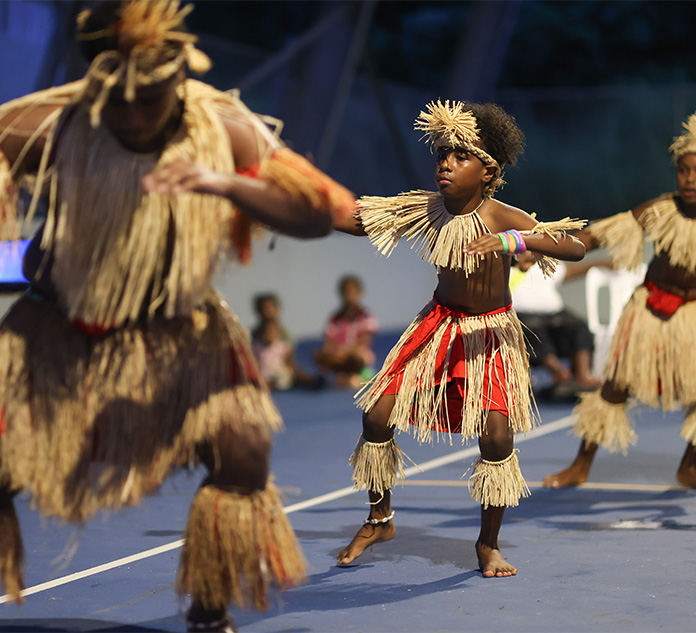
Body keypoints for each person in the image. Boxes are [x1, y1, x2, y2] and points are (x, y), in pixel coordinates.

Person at [0, 2, 355, 631]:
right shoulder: (50, 125)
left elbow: (319, 212)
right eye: (122, 101)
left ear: (178, 79)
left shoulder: (225, 129)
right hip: (57, 333)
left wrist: (223, 184)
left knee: (244, 455)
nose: (135, 115)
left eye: (152, 98)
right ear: (96, 84)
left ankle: (210, 609)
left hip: (181, 336)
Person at [334, 100, 586, 577]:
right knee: (376, 414)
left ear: (488, 170)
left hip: (491, 334)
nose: (445, 164)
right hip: (438, 326)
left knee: (496, 438)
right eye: (442, 154)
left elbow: (574, 245)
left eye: (459, 155)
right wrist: (293, 211)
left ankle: (487, 544)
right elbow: (356, 220)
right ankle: (379, 518)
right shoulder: (427, 209)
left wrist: (515, 241)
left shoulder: (503, 216)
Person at [543, 112, 696, 493]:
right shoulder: (660, 209)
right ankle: (580, 465)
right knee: (616, 388)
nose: (690, 179)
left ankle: (689, 467)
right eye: (684, 170)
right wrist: (535, 244)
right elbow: (594, 238)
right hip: (653, 307)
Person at [511, 252, 610, 397]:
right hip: (522, 315)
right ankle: (561, 374)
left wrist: (599, 263)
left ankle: (583, 376)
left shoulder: (545, 264)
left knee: (578, 327)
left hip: (555, 314)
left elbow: (570, 271)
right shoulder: (506, 268)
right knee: (533, 332)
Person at [313, 274, 378, 388]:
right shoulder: (335, 318)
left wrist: (344, 352)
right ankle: (344, 376)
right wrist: (335, 352)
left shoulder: (366, 317)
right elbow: (328, 342)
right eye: (346, 291)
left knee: (356, 358)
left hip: (355, 356)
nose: (349, 295)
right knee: (318, 355)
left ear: (360, 293)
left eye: (353, 291)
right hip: (338, 356)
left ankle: (354, 376)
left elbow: (363, 342)